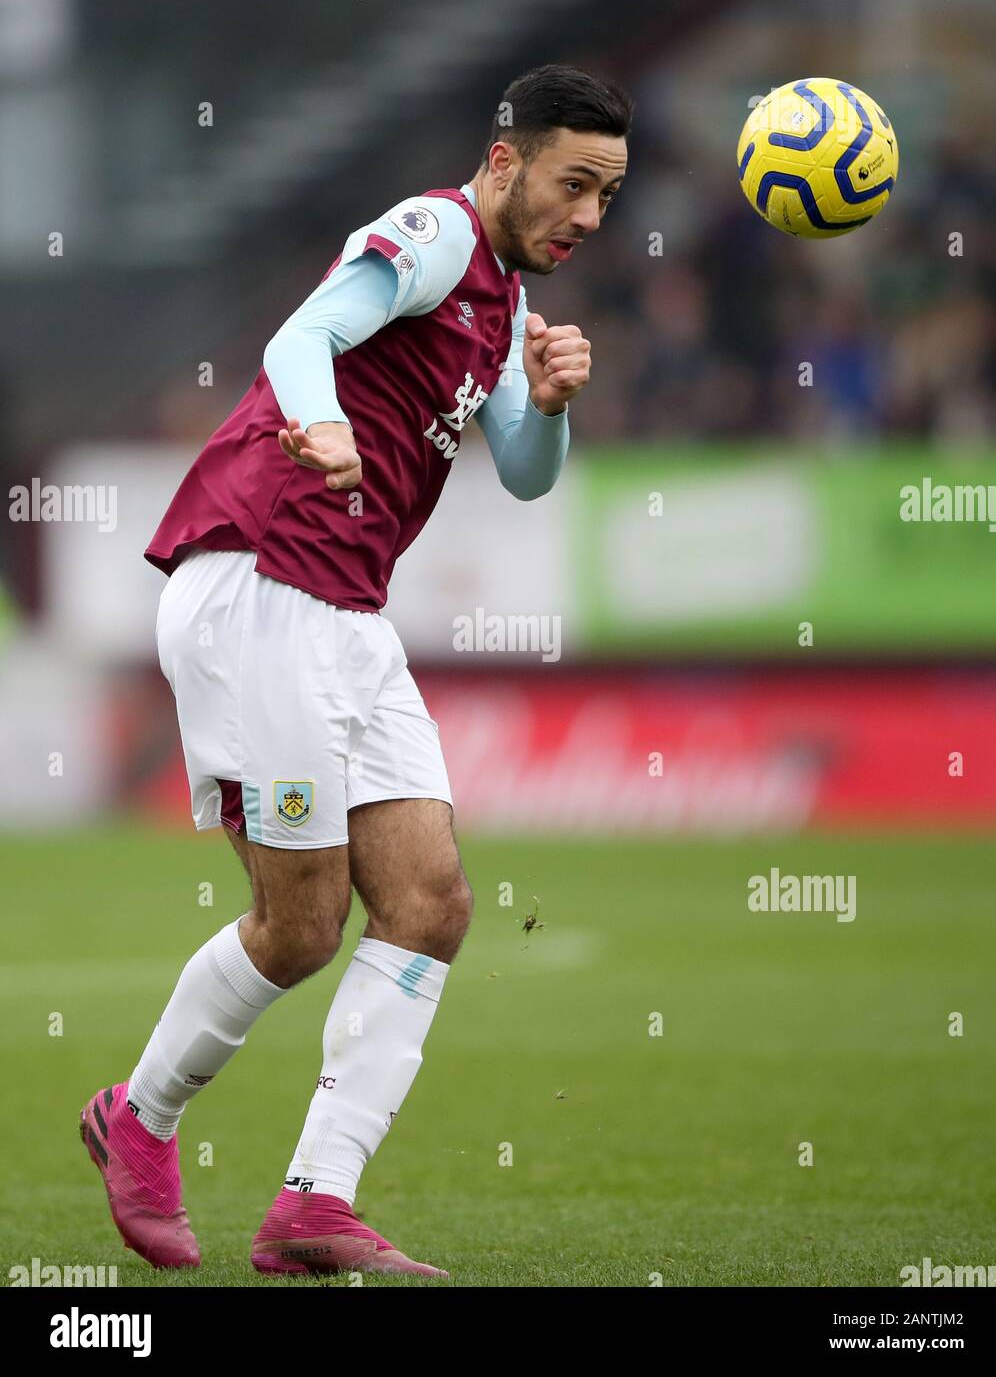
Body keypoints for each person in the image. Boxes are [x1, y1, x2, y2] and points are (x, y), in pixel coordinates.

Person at [80, 62, 631, 1278]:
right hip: (260, 583)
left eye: (608, 196)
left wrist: (546, 404)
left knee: (431, 904)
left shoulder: (499, 311)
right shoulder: (436, 232)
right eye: (575, 184)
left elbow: (528, 473)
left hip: (345, 613)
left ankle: (314, 1204)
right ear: (506, 164)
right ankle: (142, 1118)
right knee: (302, 922)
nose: (590, 217)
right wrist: (318, 417)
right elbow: (304, 332)